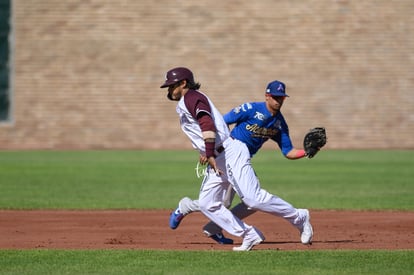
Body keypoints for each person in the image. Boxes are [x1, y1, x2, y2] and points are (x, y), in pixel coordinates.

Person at [169, 79, 314, 246]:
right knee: (226, 202)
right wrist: (208, 147)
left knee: (248, 202)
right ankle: (201, 218)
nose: (278, 100)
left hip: (237, 158)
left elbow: (288, 151)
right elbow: (220, 121)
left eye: (281, 97)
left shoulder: (279, 123)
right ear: (267, 96)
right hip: (229, 152)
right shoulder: (251, 109)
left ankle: (214, 227)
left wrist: (306, 152)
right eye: (275, 96)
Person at [160, 67, 265, 251]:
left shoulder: (191, 97)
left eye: (171, 86)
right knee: (209, 204)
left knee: (249, 199)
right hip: (220, 153)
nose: (169, 90)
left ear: (183, 83)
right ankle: (248, 234)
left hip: (226, 153)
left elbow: (206, 123)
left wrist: (208, 152)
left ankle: (297, 217)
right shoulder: (188, 100)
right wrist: (206, 151)